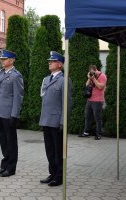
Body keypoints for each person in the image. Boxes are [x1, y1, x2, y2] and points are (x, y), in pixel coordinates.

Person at [39, 51, 72, 187]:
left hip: (57, 122)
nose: (49, 63)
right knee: (50, 150)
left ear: (60, 64)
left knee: (58, 151)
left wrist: (63, 122)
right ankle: (52, 173)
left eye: (52, 61)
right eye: (49, 61)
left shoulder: (65, 80)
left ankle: (59, 176)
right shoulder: (46, 79)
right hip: (46, 120)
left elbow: (67, 103)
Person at [79, 64, 107, 140]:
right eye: (90, 72)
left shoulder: (102, 76)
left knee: (97, 118)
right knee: (87, 116)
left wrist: (94, 79)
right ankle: (86, 132)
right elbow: (86, 85)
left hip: (98, 101)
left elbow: (100, 87)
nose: (92, 73)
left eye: (93, 72)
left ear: (96, 70)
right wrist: (89, 78)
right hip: (89, 100)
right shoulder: (91, 76)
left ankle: (98, 134)